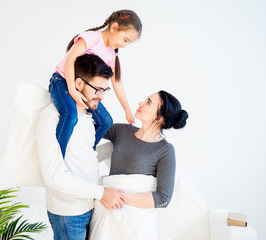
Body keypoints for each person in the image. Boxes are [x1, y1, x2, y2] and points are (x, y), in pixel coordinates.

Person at [36, 53, 126, 240]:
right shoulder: (53, 117)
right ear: (78, 84)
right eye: (97, 90)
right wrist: (101, 193)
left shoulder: (87, 115)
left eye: (105, 91)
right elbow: (53, 177)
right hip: (68, 213)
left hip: (89, 205)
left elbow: (83, 154)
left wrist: (118, 148)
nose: (101, 98)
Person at [89, 90, 189, 240]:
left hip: (135, 225)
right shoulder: (122, 131)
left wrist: (116, 197)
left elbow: (163, 198)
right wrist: (92, 93)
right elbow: (90, 125)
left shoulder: (165, 150)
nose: (140, 103)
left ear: (160, 117)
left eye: (148, 102)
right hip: (105, 217)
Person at [50, 9, 142, 158]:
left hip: (84, 89)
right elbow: (70, 60)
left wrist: (127, 110)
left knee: (106, 121)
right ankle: (57, 159)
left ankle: (86, 153)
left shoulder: (112, 54)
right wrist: (72, 90)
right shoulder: (92, 38)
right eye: (125, 40)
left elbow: (117, 82)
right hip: (61, 81)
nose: (125, 45)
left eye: (128, 43)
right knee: (71, 115)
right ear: (114, 28)